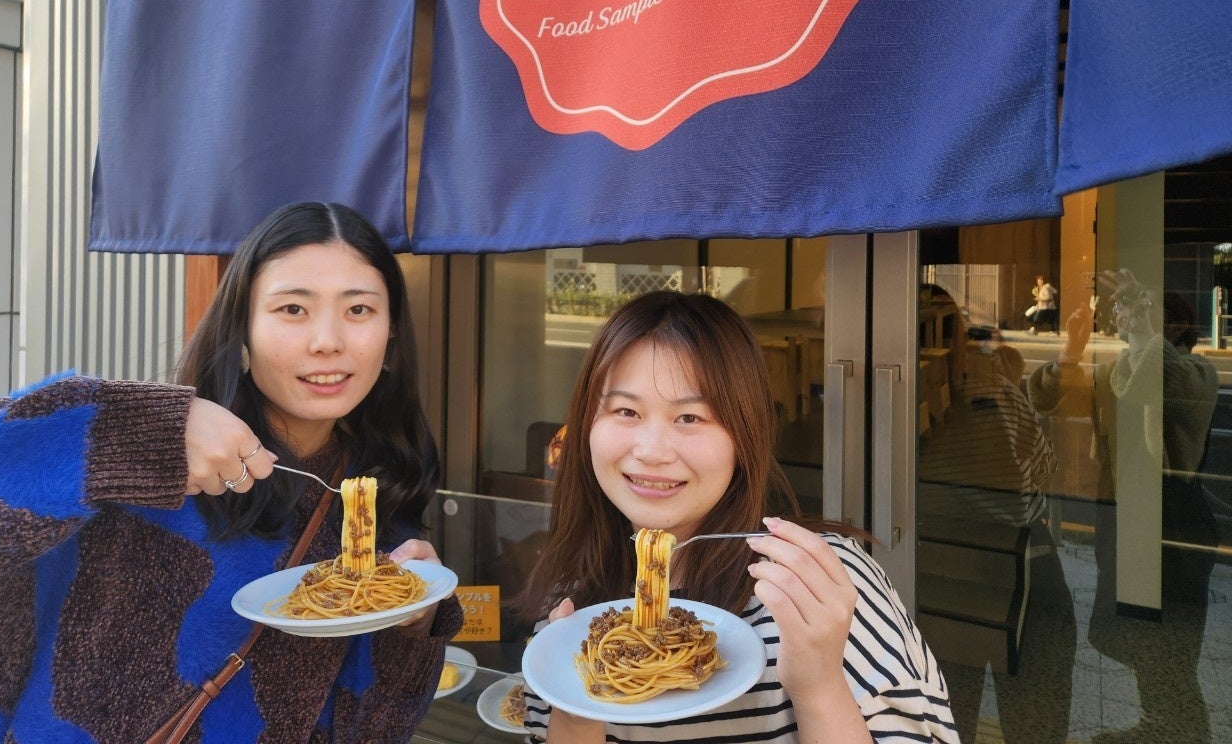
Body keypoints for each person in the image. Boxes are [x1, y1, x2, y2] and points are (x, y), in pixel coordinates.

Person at [0, 201, 462, 743]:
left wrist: (414, 624)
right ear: (242, 327)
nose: (328, 341)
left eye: (359, 310)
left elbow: (371, 731)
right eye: (293, 309)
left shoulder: (375, 497)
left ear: (389, 337)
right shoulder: (152, 458)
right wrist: (136, 430)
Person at [516, 291, 958, 744]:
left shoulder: (815, 586)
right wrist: (575, 709)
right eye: (626, 411)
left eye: (689, 417)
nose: (650, 451)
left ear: (744, 437)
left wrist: (819, 685)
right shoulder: (571, 609)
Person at [1027, 270, 1219, 744]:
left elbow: (1160, 379)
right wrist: (1071, 348)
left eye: (1136, 313)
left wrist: (1142, 328)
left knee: (1169, 646)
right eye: (1122, 313)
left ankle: (1183, 728)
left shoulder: (1200, 375)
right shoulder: (1118, 372)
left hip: (1173, 524)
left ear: (1171, 327)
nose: (1123, 318)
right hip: (1123, 517)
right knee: (1133, 631)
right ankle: (1158, 722)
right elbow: (1050, 398)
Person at [916, 285, 1074, 744]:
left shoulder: (901, 405)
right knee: (1034, 718)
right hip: (1020, 561)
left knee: (947, 717)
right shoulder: (989, 388)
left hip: (935, 568)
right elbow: (1041, 467)